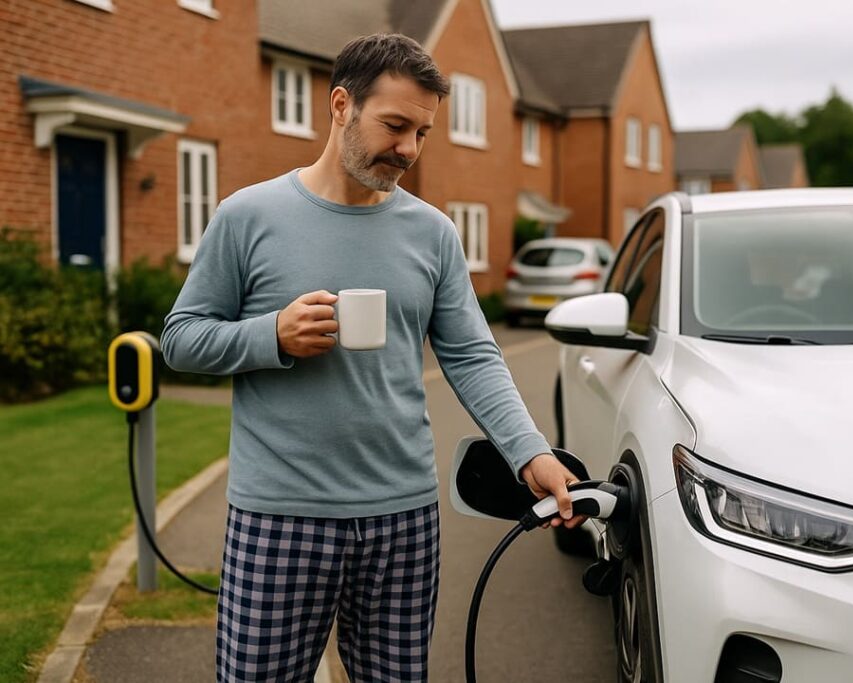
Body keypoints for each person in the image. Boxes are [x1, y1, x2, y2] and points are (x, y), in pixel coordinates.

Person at [161, 32, 586, 682]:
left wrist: (533, 453)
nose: (409, 150)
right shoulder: (247, 216)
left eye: (422, 133)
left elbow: (472, 355)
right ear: (340, 106)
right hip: (280, 516)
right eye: (395, 126)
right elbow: (183, 337)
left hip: (403, 518)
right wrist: (271, 335)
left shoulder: (434, 233)